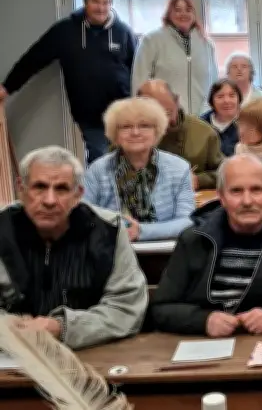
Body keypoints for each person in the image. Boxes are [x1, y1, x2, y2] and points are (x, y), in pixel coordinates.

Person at [150, 154, 262, 336]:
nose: (247, 201)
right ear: (221, 196)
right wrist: (203, 321)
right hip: (203, 345)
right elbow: (161, 308)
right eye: (236, 191)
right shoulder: (193, 240)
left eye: (256, 190)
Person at [0, 146, 147, 349]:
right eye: (39, 187)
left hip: (90, 353)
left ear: (77, 195)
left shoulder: (107, 230)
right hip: (11, 354)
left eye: (61, 189)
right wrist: (12, 329)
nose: (49, 201)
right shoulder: (3, 229)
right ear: (21, 189)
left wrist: (62, 327)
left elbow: (126, 308)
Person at [0, 0, 137, 164]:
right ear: (85, 3)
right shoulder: (65, 31)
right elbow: (34, 58)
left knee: (127, 159)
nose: (101, 8)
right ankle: (97, 192)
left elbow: (137, 68)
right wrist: (8, 87)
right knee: (99, 158)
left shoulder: (123, 31)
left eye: (106, 2)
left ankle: (123, 192)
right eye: (96, 2)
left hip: (122, 110)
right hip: (89, 113)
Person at [83, 97, 194, 241]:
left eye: (144, 126)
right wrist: (118, 230)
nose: (135, 132)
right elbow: (83, 216)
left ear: (157, 131)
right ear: (115, 133)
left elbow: (187, 222)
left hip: (165, 253)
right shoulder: (97, 170)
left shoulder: (179, 168)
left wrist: (141, 231)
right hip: (110, 252)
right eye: (126, 126)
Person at [132, 0, 218, 115]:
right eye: (177, 10)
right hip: (164, 118)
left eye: (188, 10)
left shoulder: (207, 44)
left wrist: (208, 112)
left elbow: (214, 84)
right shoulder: (151, 40)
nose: (183, 14)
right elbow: (139, 83)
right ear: (168, 14)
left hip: (201, 119)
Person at [137, 79, 223, 190]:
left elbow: (227, 172)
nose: (163, 120)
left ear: (177, 101)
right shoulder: (128, 133)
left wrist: (198, 180)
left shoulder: (203, 133)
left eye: (167, 113)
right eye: (154, 116)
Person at [201, 79, 242, 156]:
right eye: (220, 96)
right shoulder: (201, 124)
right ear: (212, 101)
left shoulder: (248, 123)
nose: (226, 101)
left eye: (232, 95)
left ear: (239, 99)